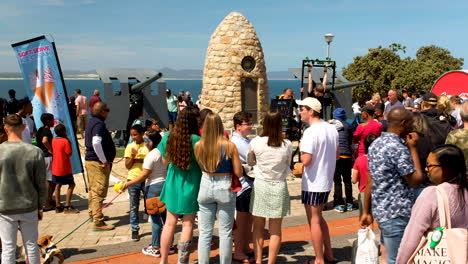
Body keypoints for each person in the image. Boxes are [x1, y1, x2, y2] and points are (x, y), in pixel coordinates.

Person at [360, 107, 424, 264]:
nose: (412, 126)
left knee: (389, 256)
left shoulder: (376, 144)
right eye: (410, 123)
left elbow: (370, 179)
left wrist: (367, 211)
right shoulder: (398, 148)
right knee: (399, 259)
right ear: (403, 123)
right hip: (398, 213)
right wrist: (413, 148)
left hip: (383, 211)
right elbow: (416, 180)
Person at [396, 144, 468, 263]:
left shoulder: (432, 194)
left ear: (446, 168)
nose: (426, 169)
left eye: (430, 165)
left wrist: (400, 262)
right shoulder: (464, 191)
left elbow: (411, 237)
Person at [194, 113, 242, 264]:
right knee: (226, 232)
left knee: (205, 232)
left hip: (206, 183)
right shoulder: (229, 145)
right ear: (220, 126)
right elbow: (239, 172)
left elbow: (199, 165)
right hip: (224, 184)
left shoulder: (198, 145)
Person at [296, 97, 338, 264]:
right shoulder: (332, 129)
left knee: (313, 219)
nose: (300, 112)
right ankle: (329, 254)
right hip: (326, 180)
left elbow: (306, 160)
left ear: (311, 111)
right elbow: (336, 154)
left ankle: (319, 259)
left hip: (313, 181)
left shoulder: (310, 132)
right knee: (319, 218)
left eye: (302, 109)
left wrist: (299, 157)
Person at [0, 114, 46, 264]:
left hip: (5, 206)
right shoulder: (35, 151)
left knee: (8, 248)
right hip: (29, 204)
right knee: (31, 245)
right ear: (24, 127)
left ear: (5, 129)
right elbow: (41, 183)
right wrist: (41, 206)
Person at [158, 106, 201, 264]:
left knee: (169, 224)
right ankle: (182, 261)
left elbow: (164, 161)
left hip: (173, 183)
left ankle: (163, 260)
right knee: (188, 224)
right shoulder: (197, 140)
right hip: (191, 184)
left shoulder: (168, 136)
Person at [247, 111, 292, 264]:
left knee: (258, 227)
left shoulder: (255, 142)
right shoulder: (287, 144)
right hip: (279, 185)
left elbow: (251, 161)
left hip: (261, 185)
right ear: (280, 124)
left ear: (264, 123)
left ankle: (258, 260)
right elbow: (288, 164)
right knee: (275, 230)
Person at [122, 131, 174, 257]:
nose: (145, 143)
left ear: (152, 141)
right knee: (166, 219)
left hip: (154, 188)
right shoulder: (165, 153)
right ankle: (169, 245)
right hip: (165, 186)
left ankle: (156, 247)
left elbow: (144, 175)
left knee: (155, 219)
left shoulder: (151, 155)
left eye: (147, 140)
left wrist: (126, 184)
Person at [85, 102, 116, 231]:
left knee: (93, 189)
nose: (108, 112)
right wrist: (103, 159)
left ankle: (94, 213)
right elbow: (96, 142)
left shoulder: (92, 121)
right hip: (97, 162)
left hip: (91, 161)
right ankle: (98, 221)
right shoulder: (98, 124)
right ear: (102, 111)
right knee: (99, 190)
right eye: (107, 109)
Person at [231, 111, 255, 263]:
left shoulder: (243, 140)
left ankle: (245, 247)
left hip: (247, 185)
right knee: (242, 221)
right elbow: (254, 158)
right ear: (239, 126)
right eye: (248, 124)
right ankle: (239, 250)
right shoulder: (237, 142)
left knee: (247, 219)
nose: (251, 126)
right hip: (243, 186)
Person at [124, 124, 150, 241]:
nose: (133, 137)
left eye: (135, 134)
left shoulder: (148, 145)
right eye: (131, 135)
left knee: (150, 202)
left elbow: (151, 160)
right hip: (133, 179)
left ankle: (156, 225)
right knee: (133, 205)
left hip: (147, 178)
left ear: (141, 134)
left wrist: (140, 159)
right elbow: (127, 165)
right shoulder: (130, 147)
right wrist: (134, 157)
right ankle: (135, 229)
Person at [329, 108, 353, 213]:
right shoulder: (348, 126)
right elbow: (350, 140)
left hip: (336, 156)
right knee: (347, 180)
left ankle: (339, 203)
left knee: (337, 181)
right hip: (347, 155)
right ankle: (349, 202)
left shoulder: (331, 126)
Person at [52, 124, 79, 214]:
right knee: (71, 184)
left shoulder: (54, 140)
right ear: (64, 132)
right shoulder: (65, 141)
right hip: (64, 168)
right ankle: (67, 206)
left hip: (55, 167)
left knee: (58, 185)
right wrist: (68, 140)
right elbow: (69, 153)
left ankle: (58, 205)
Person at [352, 134, 377, 217]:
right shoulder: (380, 159)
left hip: (364, 192)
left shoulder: (359, 160)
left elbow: (354, 180)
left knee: (365, 219)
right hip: (378, 192)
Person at [36, 113, 55, 211]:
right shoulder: (47, 131)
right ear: (48, 121)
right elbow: (44, 141)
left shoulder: (40, 130)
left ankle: (49, 200)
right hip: (47, 157)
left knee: (48, 180)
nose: (53, 122)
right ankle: (47, 204)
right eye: (52, 120)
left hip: (41, 157)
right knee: (50, 181)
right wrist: (50, 150)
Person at [446, 100, 468, 168]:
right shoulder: (453, 135)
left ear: (461, 117)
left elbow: (447, 158)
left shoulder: (453, 135)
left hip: (461, 175)